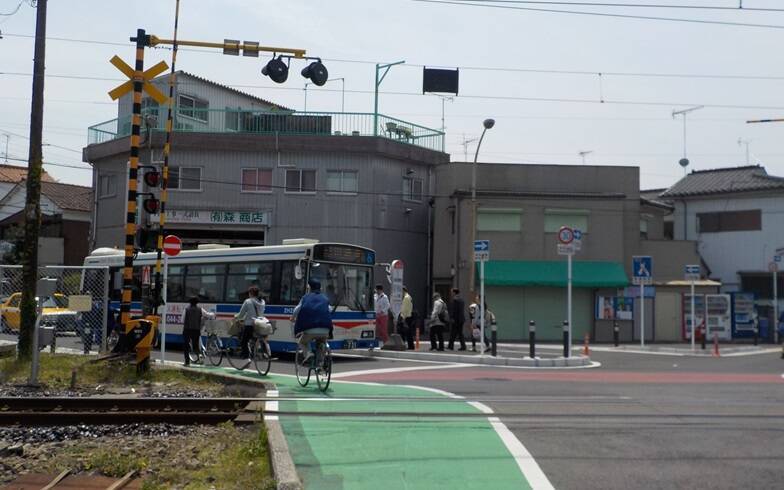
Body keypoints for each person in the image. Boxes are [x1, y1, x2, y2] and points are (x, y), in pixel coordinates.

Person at [291, 279, 333, 364]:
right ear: (320, 288)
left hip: (310, 330)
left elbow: (296, 310)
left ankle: (309, 354)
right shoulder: (325, 298)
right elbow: (330, 309)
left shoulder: (306, 297)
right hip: (326, 329)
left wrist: (292, 318)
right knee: (322, 340)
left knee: (302, 342)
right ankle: (322, 363)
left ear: (309, 288)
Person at [234, 286, 265, 358]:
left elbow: (241, 314)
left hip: (250, 325)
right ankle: (257, 350)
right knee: (254, 338)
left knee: (243, 341)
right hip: (259, 324)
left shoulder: (248, 301)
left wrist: (236, 317)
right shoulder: (262, 301)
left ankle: (246, 356)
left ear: (251, 293)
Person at [182, 297, 212, 366]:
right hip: (196, 330)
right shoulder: (200, 309)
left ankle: (187, 362)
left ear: (190, 303)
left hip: (187, 330)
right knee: (196, 346)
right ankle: (200, 359)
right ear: (197, 303)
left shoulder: (186, 309)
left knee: (186, 346)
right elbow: (207, 315)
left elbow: (182, 320)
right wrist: (213, 314)